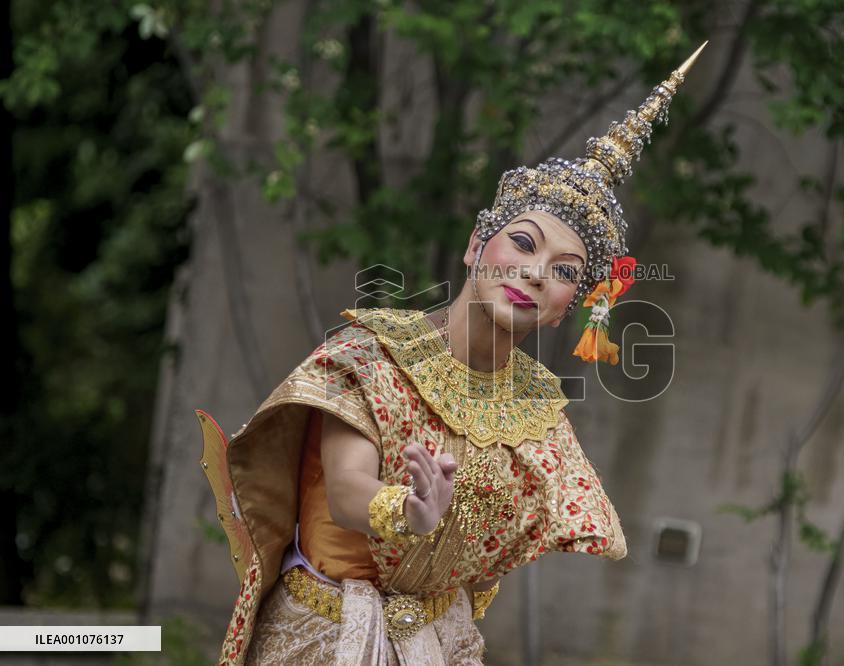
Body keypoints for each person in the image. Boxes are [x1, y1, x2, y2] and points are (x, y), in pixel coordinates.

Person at [198, 41, 708, 666]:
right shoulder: (369, 355)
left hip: (442, 644)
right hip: (321, 639)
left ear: (568, 304)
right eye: (522, 242)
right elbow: (347, 491)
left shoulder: (541, 421)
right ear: (475, 245)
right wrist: (407, 511)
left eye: (564, 270)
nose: (534, 271)